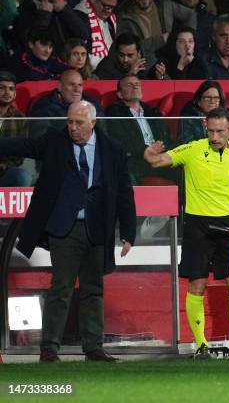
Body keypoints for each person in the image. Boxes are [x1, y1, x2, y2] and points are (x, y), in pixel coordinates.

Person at [0, 100, 136, 363]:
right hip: (64, 226)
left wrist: (128, 231)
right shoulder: (55, 141)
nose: (72, 128)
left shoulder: (113, 150)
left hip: (98, 227)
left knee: (93, 288)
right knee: (60, 286)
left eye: (79, 123)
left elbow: (124, 192)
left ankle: (93, 346)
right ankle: (50, 348)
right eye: (70, 122)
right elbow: (23, 146)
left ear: (93, 123)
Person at [143, 108, 229, 359]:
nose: (215, 136)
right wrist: (150, 155)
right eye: (211, 130)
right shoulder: (193, 149)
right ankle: (201, 346)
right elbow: (159, 160)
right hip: (197, 226)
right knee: (196, 285)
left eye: (220, 131)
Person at [106, 75, 176, 185]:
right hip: (136, 159)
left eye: (137, 84)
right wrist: (143, 151)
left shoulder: (153, 112)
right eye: (129, 85)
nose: (135, 87)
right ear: (120, 94)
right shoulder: (114, 113)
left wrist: (162, 151)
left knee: (185, 166)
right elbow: (118, 141)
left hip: (159, 156)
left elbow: (165, 136)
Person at [28, 69, 104, 138]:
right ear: (60, 87)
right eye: (72, 85)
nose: (77, 89)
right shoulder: (44, 106)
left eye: (80, 85)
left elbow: (103, 133)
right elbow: (39, 139)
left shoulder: (92, 103)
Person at [0, 71, 33, 187]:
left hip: (5, 171)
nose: (7, 92)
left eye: (11, 89)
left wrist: (4, 165)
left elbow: (20, 153)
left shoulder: (20, 118)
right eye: (2, 88)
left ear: (14, 94)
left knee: (23, 176)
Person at [74, 0, 119, 68]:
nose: (109, 10)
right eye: (106, 5)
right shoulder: (80, 17)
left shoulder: (110, 18)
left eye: (112, 7)